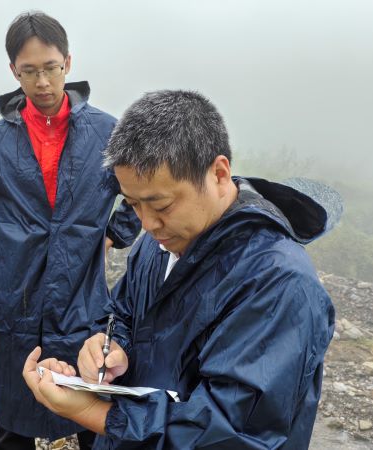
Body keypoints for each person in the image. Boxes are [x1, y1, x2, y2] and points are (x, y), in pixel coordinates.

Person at [23, 90, 337, 449]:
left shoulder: (279, 283)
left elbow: (232, 432)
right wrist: (109, 347)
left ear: (219, 174)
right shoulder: (158, 243)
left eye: (161, 205)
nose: (148, 223)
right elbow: (120, 312)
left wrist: (94, 412)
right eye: (134, 205)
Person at [0, 12, 141, 450]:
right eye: (29, 71)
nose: (42, 82)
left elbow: (138, 192)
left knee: (92, 401)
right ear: (13, 71)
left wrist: (114, 234)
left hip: (81, 291)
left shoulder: (107, 134)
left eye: (51, 68)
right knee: (15, 412)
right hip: (15, 291)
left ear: (68, 63)